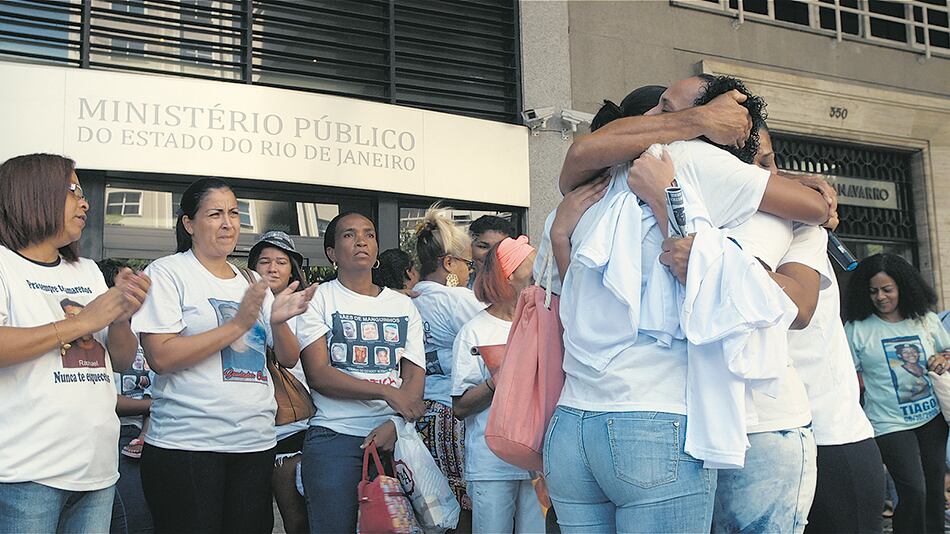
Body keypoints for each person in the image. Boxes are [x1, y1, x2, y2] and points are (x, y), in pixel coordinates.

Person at [543, 77, 832, 533]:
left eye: (666, 107)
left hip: (573, 424)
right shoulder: (682, 161)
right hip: (653, 420)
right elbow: (816, 209)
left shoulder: (609, 176)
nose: (652, 117)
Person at [132, 178, 314, 534]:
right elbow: (160, 356)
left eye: (234, 213)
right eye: (215, 214)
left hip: (255, 442)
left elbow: (288, 358)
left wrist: (278, 322)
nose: (228, 223)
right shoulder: (168, 272)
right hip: (188, 444)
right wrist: (238, 325)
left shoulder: (251, 280)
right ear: (189, 223)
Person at [0, 153, 149, 534]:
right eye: (73, 191)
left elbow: (119, 361)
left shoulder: (86, 271)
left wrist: (121, 317)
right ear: (32, 193)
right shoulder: (4, 264)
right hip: (26, 471)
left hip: (96, 468)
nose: (85, 203)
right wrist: (82, 322)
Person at [297, 212, 426, 534]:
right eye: (349, 235)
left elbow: (414, 376)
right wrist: (385, 391)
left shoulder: (402, 306)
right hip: (334, 438)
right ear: (331, 252)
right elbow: (319, 374)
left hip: (392, 440)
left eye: (369, 234)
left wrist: (396, 423)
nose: (361, 241)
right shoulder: (319, 299)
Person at [845, 252, 950, 534]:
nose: (880, 297)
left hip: (932, 419)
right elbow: (844, 376)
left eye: (887, 289)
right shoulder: (856, 329)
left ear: (903, 287)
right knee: (914, 489)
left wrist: (943, 358)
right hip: (888, 423)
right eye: (873, 291)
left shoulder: (926, 320)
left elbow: (947, 350)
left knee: (934, 489)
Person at [452, 236, 544, 533]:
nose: (540, 272)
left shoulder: (543, 322)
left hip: (536, 461)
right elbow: (460, 406)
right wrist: (499, 381)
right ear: (509, 275)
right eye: (532, 266)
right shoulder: (475, 331)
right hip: (491, 463)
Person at [411, 206, 486, 514]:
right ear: (449, 263)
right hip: (453, 414)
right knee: (463, 506)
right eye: (468, 263)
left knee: (431, 507)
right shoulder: (458, 300)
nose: (470, 271)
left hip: (418, 413)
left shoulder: (410, 298)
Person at [248, 230, 313, 534]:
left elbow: (292, 358)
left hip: (292, 425)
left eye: (281, 262)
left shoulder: (309, 307)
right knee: (252, 519)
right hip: (246, 427)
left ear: (292, 270)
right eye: (264, 261)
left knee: (297, 519)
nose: (272, 268)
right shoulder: (238, 303)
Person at [99, 258, 156, 534]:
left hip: (147, 434)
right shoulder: (99, 331)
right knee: (134, 521)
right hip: (116, 435)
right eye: (126, 280)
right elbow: (105, 398)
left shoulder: (146, 329)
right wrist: (151, 406)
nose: (137, 286)